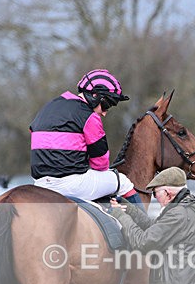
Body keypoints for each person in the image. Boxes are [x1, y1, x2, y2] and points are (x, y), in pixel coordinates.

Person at [30, 69, 142, 206]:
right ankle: (143, 226)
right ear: (94, 95)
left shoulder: (47, 108)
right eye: (106, 105)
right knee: (123, 182)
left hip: (40, 184)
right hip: (72, 184)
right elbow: (101, 164)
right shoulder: (89, 116)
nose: (105, 113)